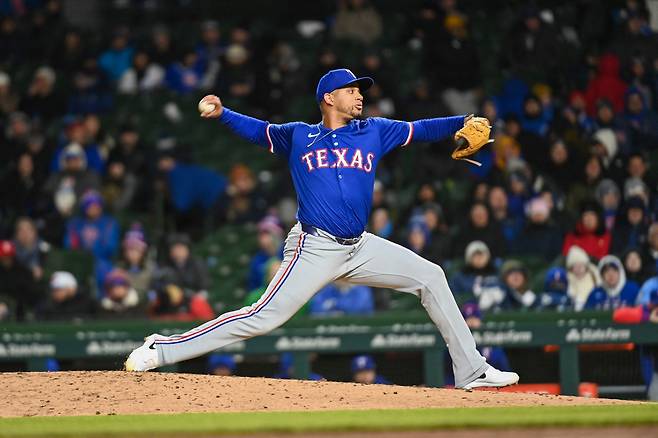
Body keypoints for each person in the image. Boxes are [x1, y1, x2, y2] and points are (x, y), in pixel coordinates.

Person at [126, 68, 518, 390]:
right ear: (329, 98)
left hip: (360, 246)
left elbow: (420, 128)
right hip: (314, 246)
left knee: (431, 276)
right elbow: (258, 130)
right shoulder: (298, 135)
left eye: (360, 91)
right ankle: (162, 349)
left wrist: (462, 122)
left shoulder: (374, 130)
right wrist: (223, 113)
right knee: (263, 317)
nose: (360, 96)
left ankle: (472, 371)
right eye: (351, 90)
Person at [309, 279, 374, 316]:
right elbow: (315, 308)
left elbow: (357, 309)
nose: (338, 280)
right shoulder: (328, 289)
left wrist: (335, 303)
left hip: (360, 327)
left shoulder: (361, 290)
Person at [566, 245, 601, 311]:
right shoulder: (568, 279)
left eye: (581, 265)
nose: (578, 269)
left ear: (586, 266)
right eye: (575, 266)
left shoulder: (595, 276)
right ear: (571, 268)